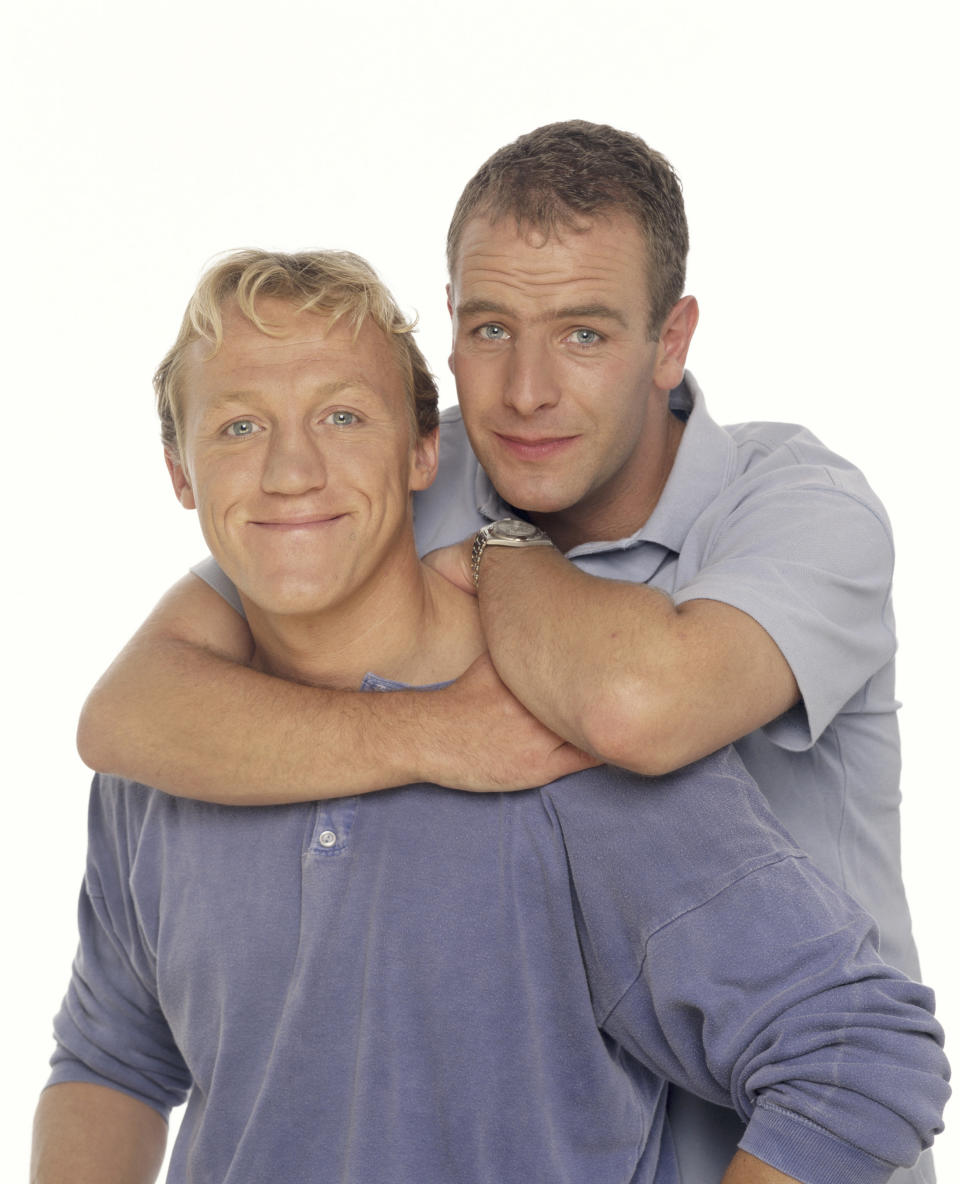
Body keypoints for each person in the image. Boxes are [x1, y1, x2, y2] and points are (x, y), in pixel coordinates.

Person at [76, 123, 928, 1180]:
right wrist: (439, 730)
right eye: (489, 328)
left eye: (582, 333)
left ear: (671, 341)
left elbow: (631, 708)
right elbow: (131, 710)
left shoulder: (796, 510)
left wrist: (497, 549)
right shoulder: (369, 498)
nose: (525, 392)